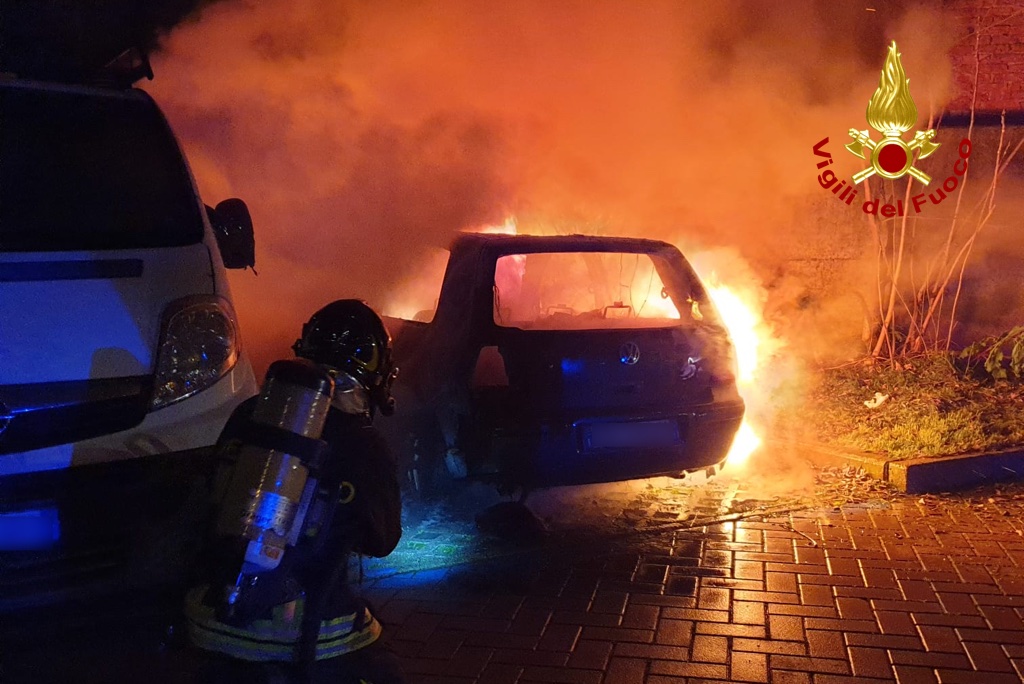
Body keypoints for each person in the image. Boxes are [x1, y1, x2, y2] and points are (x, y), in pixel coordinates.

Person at [183, 300, 404, 684]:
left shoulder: (250, 412)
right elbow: (383, 541)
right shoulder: (363, 442)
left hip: (211, 618)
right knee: (383, 668)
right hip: (306, 631)